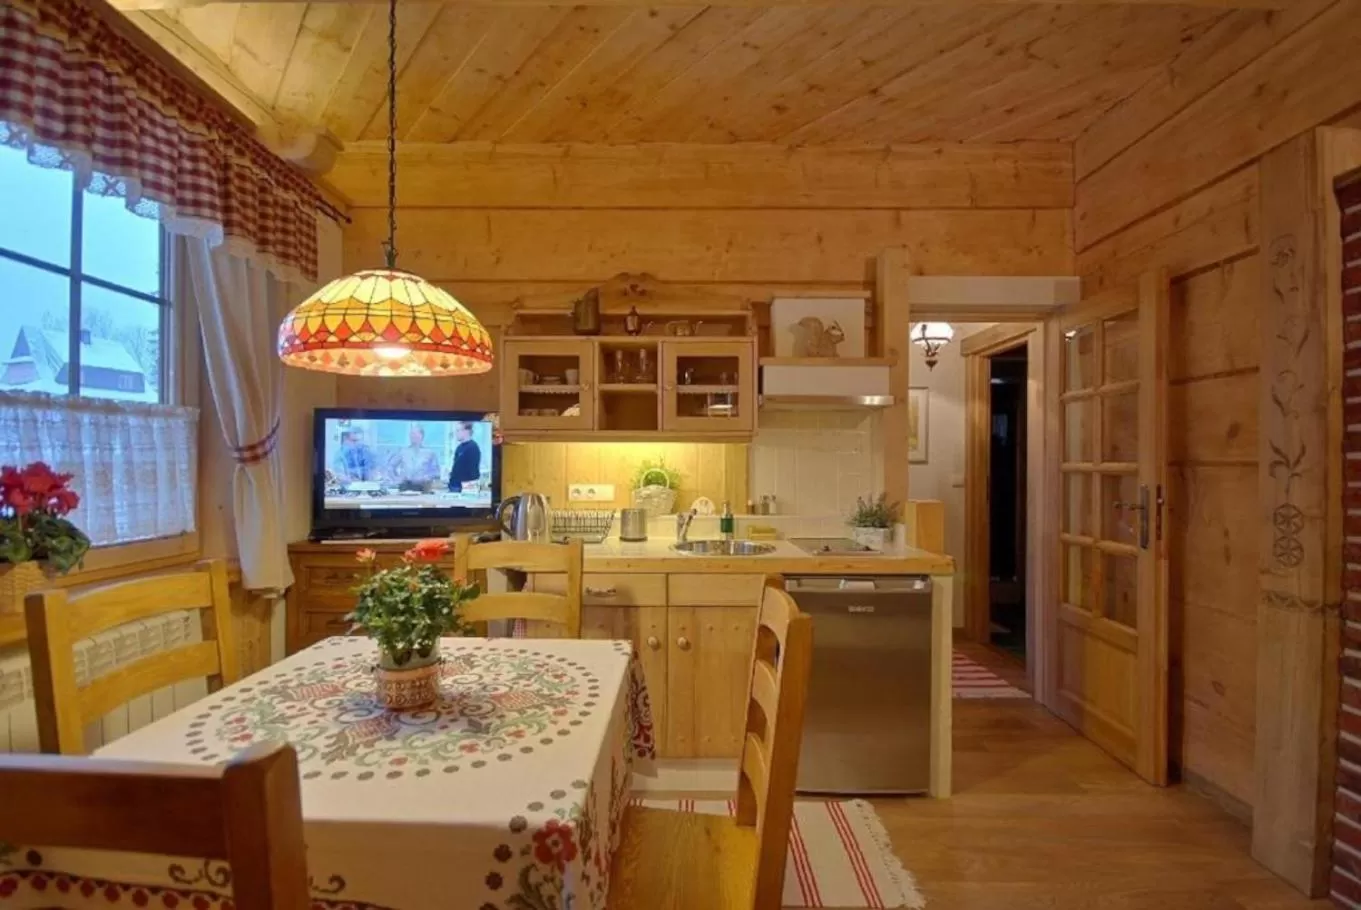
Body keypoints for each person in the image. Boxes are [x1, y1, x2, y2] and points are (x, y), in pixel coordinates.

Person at [387, 423, 441, 491]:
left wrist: (427, 477)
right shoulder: (403, 451)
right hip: (405, 486)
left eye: (415, 434)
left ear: (422, 436)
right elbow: (390, 466)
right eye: (411, 434)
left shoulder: (430, 453)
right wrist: (396, 479)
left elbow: (436, 472)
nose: (413, 436)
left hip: (423, 487)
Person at [447, 422, 483, 492]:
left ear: (466, 431)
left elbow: (473, 471)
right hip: (454, 486)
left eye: (458, 430)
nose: (456, 433)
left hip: (464, 489)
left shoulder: (473, 447)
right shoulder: (459, 447)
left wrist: (470, 491)